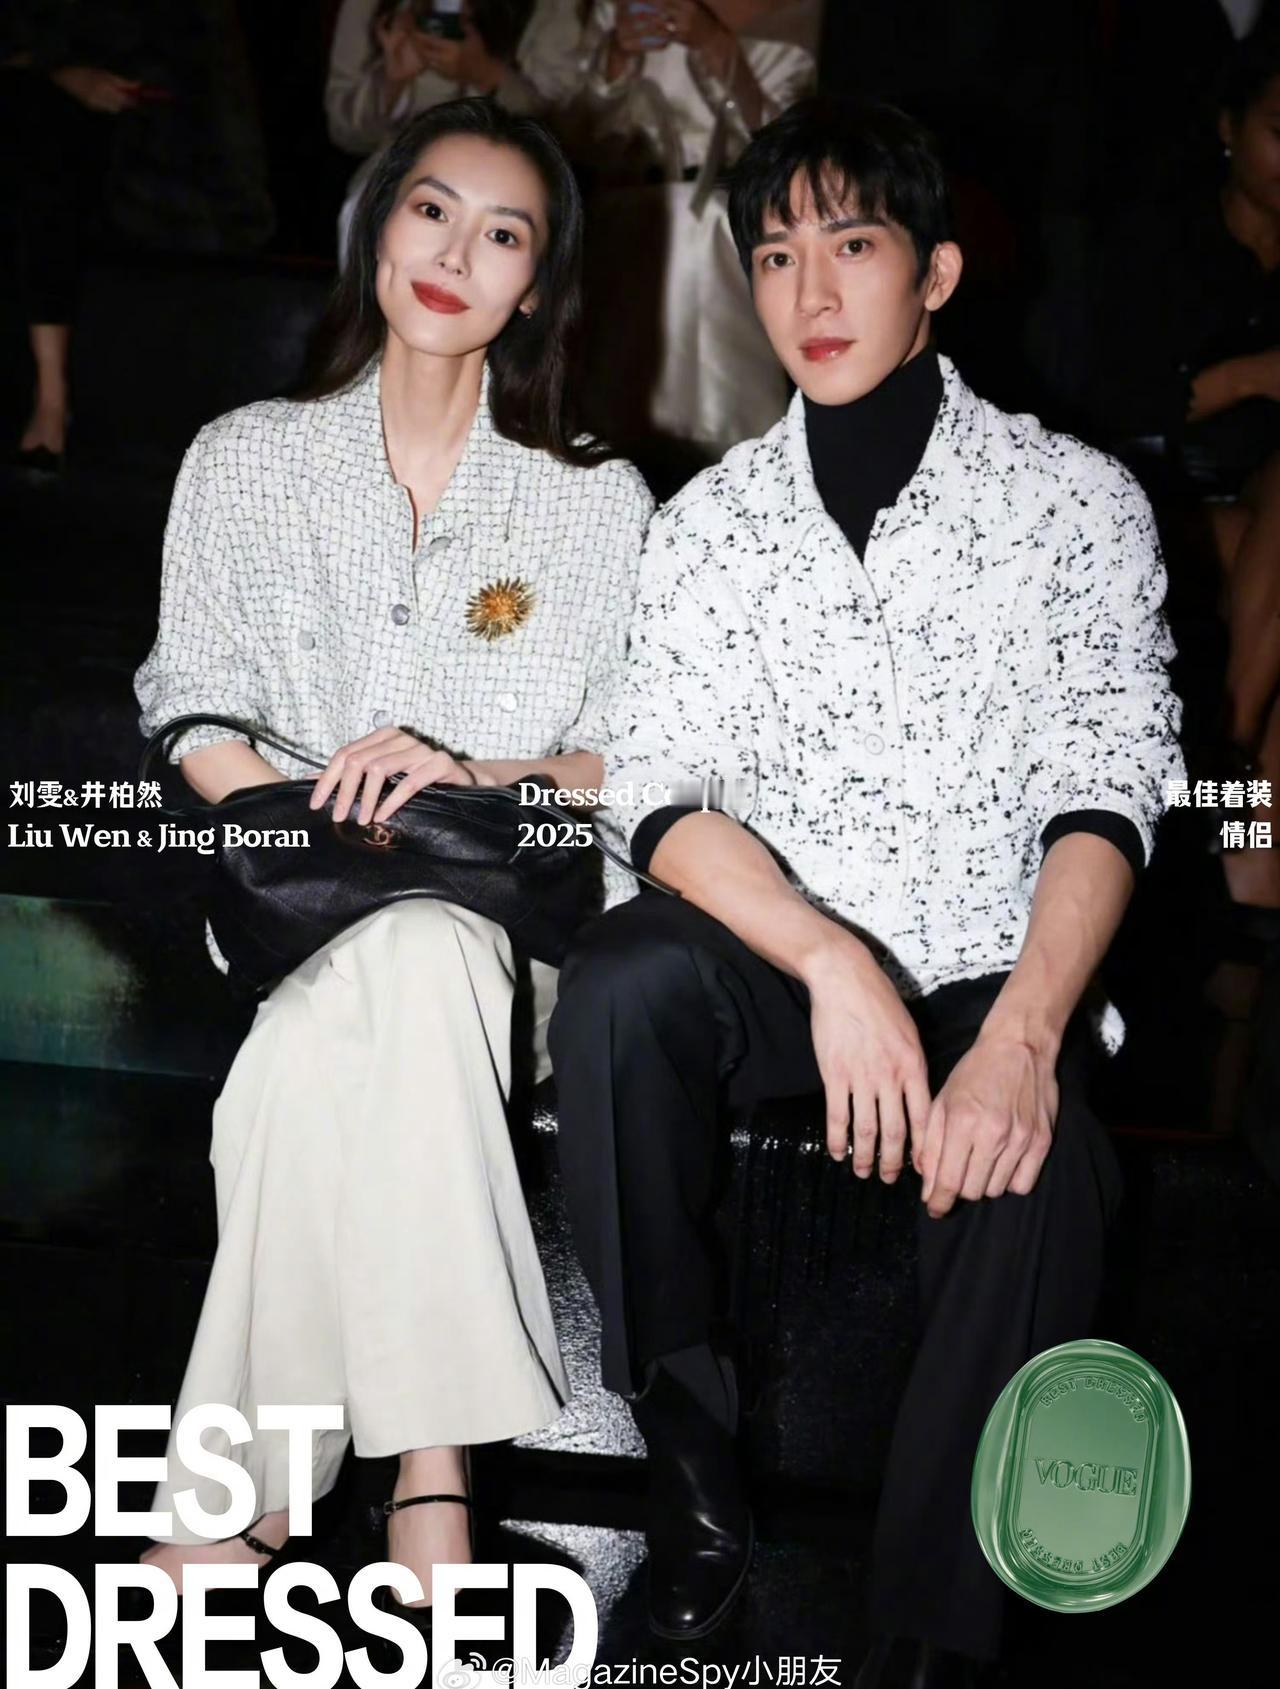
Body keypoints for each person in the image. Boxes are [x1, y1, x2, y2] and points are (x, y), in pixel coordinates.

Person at [547, 98, 1184, 1683]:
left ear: (937, 273)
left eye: (853, 244)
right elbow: (656, 793)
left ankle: (925, 1638)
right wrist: (828, 963)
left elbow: (1111, 784)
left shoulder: (1076, 503)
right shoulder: (711, 525)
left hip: (986, 964)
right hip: (782, 961)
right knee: (620, 986)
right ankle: (689, 1450)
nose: (812, 291)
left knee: (1039, 1164)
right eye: (775, 255)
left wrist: (1026, 1033)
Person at [131, 95, 652, 1612]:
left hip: (507, 945)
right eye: (433, 210)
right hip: (296, 907)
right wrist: (309, 826)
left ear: (536, 288)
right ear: (378, 226)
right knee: (374, 966)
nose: (456, 254)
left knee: (365, 1006)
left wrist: (467, 775)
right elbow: (191, 704)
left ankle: (243, 1499)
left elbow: (629, 764)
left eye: (504, 235)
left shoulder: (595, 499)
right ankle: (436, 1482)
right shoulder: (245, 459)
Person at [1090, 23, 1280, 914]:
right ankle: (1235, 757)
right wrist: (1254, 377)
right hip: (1170, 500)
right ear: (1230, 127)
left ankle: (1245, 854)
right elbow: (1109, 402)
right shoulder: (1160, 243)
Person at [565, 1, 818, 471]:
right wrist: (616, 58)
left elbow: (790, 144)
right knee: (617, 404)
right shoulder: (615, 8)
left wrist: (715, 46)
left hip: (723, 233)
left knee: (730, 410)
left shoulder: (788, 12)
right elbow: (575, 123)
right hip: (627, 225)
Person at [326, 0, 584, 256]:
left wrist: (486, 73)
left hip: (504, 171)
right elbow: (344, 132)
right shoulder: (372, 8)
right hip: (399, 163)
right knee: (375, 210)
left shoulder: (552, 9)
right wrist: (391, 82)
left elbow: (565, 132)